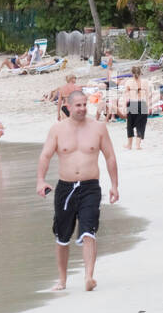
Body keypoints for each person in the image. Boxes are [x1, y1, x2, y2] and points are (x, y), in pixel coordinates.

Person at [36, 89, 119, 291]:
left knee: (89, 230)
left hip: (90, 186)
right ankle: (62, 280)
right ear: (69, 106)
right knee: (62, 237)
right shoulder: (57, 130)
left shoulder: (98, 128)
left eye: (85, 105)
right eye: (78, 105)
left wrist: (115, 185)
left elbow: (110, 156)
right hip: (65, 188)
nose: (82, 109)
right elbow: (45, 156)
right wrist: (40, 180)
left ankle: (89, 276)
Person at [123, 72, 150, 149]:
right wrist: (147, 105)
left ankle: (129, 145)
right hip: (142, 103)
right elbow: (148, 94)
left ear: (132, 73)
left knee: (130, 125)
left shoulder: (128, 82)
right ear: (140, 73)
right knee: (141, 125)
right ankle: (138, 145)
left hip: (132, 103)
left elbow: (126, 95)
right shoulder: (145, 82)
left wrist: (124, 107)